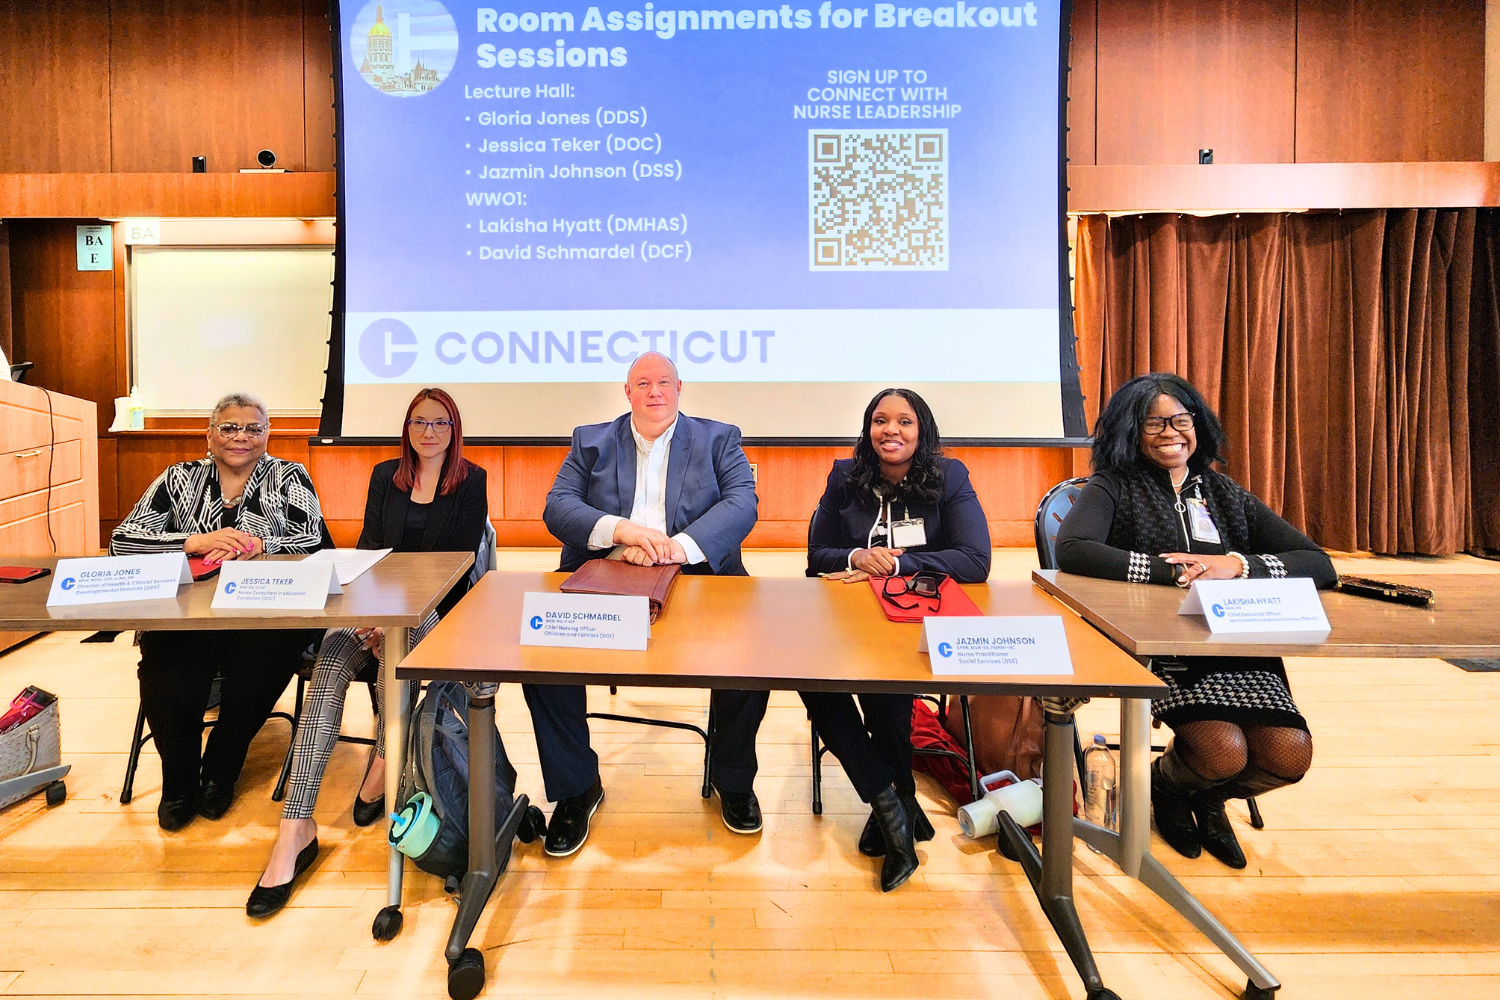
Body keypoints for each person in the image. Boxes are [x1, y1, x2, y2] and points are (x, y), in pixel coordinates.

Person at [1055, 372, 1336, 869]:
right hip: (1165, 645)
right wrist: (1173, 572)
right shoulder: (1114, 485)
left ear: (1197, 425)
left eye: (1180, 420)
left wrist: (1238, 564)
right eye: (1153, 424)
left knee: (1290, 756)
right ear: (1131, 432)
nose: (1170, 433)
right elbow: (1073, 549)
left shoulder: (1224, 492)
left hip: (1239, 642)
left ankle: (1207, 798)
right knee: (1222, 750)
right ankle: (1167, 786)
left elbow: (1318, 563)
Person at [247, 388, 488, 917]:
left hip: (431, 609)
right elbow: (368, 547)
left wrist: (395, 616)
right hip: (373, 602)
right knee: (330, 668)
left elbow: (459, 566)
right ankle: (296, 827)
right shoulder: (386, 476)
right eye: (419, 422)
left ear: (455, 429)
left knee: (393, 664)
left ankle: (384, 760)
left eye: (441, 423)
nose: (429, 432)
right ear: (406, 428)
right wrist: (369, 609)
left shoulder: (472, 482)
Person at [534, 351, 760, 856]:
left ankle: (733, 778)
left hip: (699, 572)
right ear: (627, 392)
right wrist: (624, 531)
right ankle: (576, 788)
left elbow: (742, 504)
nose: (654, 391)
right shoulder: (589, 441)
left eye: (663, 382)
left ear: (680, 388)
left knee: (751, 651)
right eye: (642, 383)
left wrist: (672, 548)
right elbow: (559, 507)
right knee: (540, 657)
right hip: (607, 569)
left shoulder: (719, 438)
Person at [111, 392, 326, 832]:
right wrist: (194, 541)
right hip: (185, 615)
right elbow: (122, 541)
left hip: (263, 613)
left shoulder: (289, 475)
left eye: (253, 428)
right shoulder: (178, 478)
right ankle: (180, 782)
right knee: (167, 667)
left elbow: (316, 542)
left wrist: (264, 544)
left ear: (267, 436)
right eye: (229, 427)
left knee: (266, 654)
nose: (241, 437)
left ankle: (224, 766)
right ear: (209, 435)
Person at [806, 388, 991, 891]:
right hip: (848, 616)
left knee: (886, 691)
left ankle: (889, 806)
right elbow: (817, 553)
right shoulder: (845, 476)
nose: (892, 430)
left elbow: (975, 560)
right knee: (812, 684)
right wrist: (854, 558)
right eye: (880, 421)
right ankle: (894, 798)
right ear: (868, 429)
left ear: (921, 430)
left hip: (916, 619)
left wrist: (901, 562)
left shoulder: (949, 476)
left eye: (904, 422)